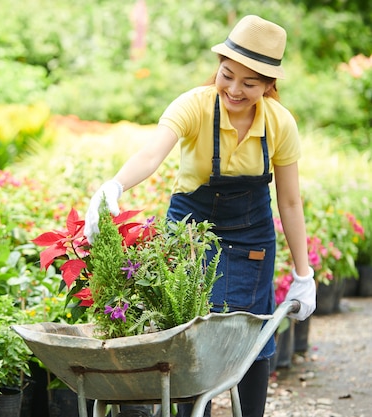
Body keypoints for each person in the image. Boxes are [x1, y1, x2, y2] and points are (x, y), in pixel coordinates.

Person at [83, 15, 316, 417]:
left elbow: (290, 202)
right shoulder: (194, 105)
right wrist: (115, 185)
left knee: (254, 336)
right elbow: (152, 154)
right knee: (191, 332)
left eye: (250, 83)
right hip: (191, 232)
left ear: (269, 86)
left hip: (251, 237)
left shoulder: (280, 123)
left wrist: (303, 273)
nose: (235, 90)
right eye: (228, 75)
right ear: (219, 68)